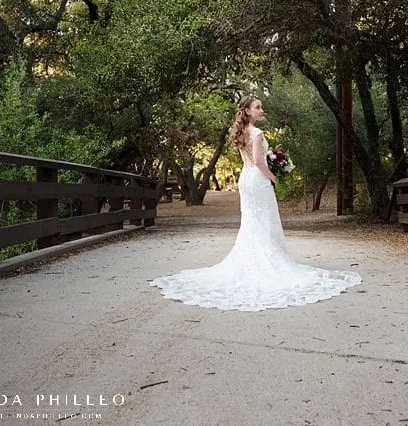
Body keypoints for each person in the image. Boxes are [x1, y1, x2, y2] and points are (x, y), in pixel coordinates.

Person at [150, 96, 362, 311]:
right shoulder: (257, 133)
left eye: (261, 106)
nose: (262, 109)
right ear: (248, 111)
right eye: (258, 107)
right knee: (264, 219)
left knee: (253, 221)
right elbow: (259, 162)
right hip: (258, 180)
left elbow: (251, 160)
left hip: (245, 179)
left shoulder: (244, 133)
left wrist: (271, 162)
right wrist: (273, 177)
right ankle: (267, 263)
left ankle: (252, 260)